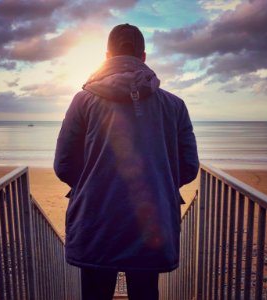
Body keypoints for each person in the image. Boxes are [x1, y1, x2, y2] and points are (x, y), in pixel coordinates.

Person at [54, 23, 199, 300]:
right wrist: (157, 183)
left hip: (96, 220)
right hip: (152, 221)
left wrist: (92, 184)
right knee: (146, 292)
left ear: (106, 56)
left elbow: (63, 164)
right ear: (143, 57)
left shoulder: (83, 101)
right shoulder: (174, 105)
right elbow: (189, 167)